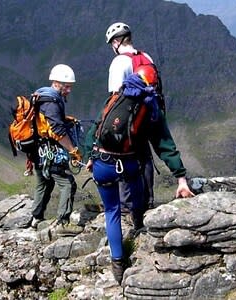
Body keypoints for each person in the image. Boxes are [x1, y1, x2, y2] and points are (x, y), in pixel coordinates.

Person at [86, 65, 194, 284]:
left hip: (101, 162)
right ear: (153, 85)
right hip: (126, 164)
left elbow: (96, 129)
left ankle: (117, 263)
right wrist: (180, 177)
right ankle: (138, 225)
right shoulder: (150, 107)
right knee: (137, 190)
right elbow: (164, 144)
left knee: (111, 211)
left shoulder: (116, 96)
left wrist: (90, 156)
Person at [105, 22, 158, 215]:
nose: (113, 47)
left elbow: (114, 97)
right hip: (148, 119)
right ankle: (148, 202)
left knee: (123, 163)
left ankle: (128, 208)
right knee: (145, 159)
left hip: (127, 124)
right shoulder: (146, 57)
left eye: (112, 43)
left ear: (117, 42)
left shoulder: (119, 62)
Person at [29, 64, 83, 235]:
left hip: (38, 151)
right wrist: (73, 150)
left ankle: (35, 218)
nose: (69, 90)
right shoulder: (52, 102)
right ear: (57, 83)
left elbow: (47, 121)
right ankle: (63, 222)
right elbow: (58, 132)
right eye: (66, 86)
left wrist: (63, 119)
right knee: (67, 184)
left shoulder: (41, 95)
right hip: (50, 152)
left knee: (44, 183)